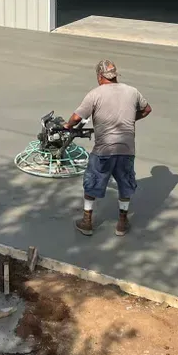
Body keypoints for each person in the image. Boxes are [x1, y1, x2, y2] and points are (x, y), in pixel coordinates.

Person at [63, 60, 151, 237]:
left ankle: (87, 222)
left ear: (99, 76)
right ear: (115, 75)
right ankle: (122, 223)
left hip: (104, 150)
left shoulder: (95, 94)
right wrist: (129, 119)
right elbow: (147, 109)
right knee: (125, 185)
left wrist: (67, 125)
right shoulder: (132, 91)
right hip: (127, 149)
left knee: (92, 183)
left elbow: (76, 118)